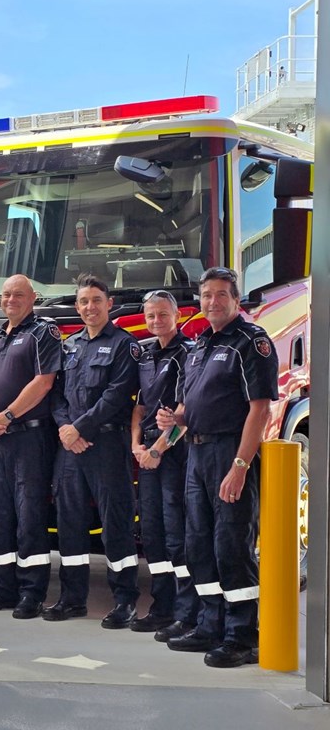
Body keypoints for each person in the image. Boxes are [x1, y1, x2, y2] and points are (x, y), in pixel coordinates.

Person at [157, 267, 278, 668]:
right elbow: (190, 409)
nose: (212, 301)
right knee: (199, 545)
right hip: (195, 455)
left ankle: (243, 636)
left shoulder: (250, 341)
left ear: (235, 299)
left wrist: (241, 466)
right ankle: (211, 625)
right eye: (206, 294)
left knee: (231, 546)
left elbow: (259, 409)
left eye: (221, 294)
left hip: (230, 454)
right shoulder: (198, 346)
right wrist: (174, 423)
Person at [46, 274, 141, 628]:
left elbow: (117, 395)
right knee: (69, 523)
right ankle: (72, 599)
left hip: (106, 445)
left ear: (109, 304)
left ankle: (125, 601)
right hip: (70, 448)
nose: (90, 307)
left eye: (96, 300)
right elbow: (55, 395)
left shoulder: (124, 345)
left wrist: (78, 429)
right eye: (83, 302)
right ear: (77, 306)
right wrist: (65, 429)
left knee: (115, 524)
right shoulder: (69, 346)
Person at [0, 275, 61, 620]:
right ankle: (3, 588)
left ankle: (31, 593)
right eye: (6, 294)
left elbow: (45, 381)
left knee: (30, 516)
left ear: (33, 298)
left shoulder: (43, 332)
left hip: (29, 437)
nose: (11, 299)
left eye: (19, 294)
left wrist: (8, 414)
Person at [129, 290, 198, 641]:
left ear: (176, 314)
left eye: (163, 314)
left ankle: (186, 613)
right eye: (151, 315)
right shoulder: (144, 354)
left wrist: (156, 450)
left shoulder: (189, 353)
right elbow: (139, 408)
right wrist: (136, 445)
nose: (156, 320)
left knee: (177, 536)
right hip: (147, 454)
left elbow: (185, 415)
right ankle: (161, 606)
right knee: (152, 533)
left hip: (174, 455)